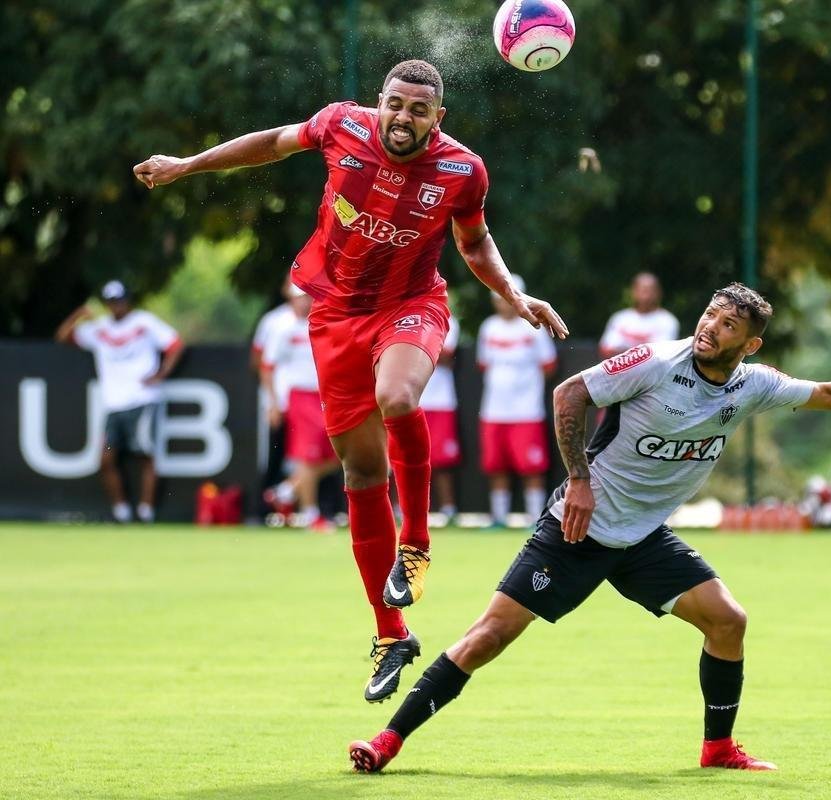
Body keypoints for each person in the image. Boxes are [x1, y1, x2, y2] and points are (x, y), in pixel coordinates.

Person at [133, 59, 569, 703]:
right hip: (334, 314)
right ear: (381, 103)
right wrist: (187, 165)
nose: (404, 118)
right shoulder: (340, 125)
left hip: (412, 304)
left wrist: (513, 293)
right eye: (396, 104)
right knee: (362, 474)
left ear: (437, 119)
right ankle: (391, 634)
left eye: (420, 110)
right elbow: (270, 145)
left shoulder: (462, 170)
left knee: (398, 396)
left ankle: (415, 544)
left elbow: (474, 244)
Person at [348, 283, 831, 773]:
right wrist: (579, 481)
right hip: (576, 529)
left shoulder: (752, 384)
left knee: (728, 622)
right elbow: (569, 393)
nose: (711, 326)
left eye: (728, 324)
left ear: (750, 344)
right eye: (710, 314)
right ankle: (388, 740)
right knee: (487, 638)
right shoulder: (657, 362)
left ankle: (718, 748)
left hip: (641, 540)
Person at [54, 280, 184, 523]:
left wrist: (162, 373)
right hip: (113, 405)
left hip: (142, 401)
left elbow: (175, 344)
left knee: (146, 454)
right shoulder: (99, 328)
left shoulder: (144, 322)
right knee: (106, 458)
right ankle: (121, 512)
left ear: (128, 300)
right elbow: (62, 337)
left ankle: (146, 512)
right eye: (112, 302)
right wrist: (78, 315)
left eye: (120, 300)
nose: (117, 306)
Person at [476, 275, 558, 527]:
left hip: (527, 411)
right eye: (498, 298)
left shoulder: (533, 326)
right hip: (493, 411)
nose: (503, 302)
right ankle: (498, 518)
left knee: (531, 467)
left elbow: (548, 365)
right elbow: (483, 364)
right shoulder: (488, 328)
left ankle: (536, 518)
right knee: (495, 465)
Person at [259, 283, 341, 531]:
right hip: (299, 398)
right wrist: (273, 403)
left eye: (306, 298)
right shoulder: (282, 329)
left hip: (323, 397)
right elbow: (267, 367)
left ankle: (285, 491)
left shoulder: (322, 323)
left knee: (338, 455)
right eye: (298, 298)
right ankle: (310, 514)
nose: (303, 303)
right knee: (308, 456)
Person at [251, 276, 297, 521]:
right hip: (280, 400)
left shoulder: (321, 314)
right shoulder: (274, 321)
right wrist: (272, 400)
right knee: (275, 455)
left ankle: (319, 507)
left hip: (311, 400)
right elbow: (259, 361)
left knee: (318, 455)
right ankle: (264, 510)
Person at [418, 313, 462, 523]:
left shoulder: (447, 319)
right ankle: (404, 510)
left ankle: (448, 508)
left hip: (441, 401)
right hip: (411, 399)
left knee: (442, 460)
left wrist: (411, 346)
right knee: (402, 457)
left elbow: (445, 355)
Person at [599, 272, 680, 358]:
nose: (646, 296)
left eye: (650, 291)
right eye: (642, 290)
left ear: (659, 293)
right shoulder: (619, 319)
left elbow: (662, 355)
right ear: (633, 292)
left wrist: (624, 353)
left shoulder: (667, 321)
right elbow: (606, 349)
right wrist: (641, 353)